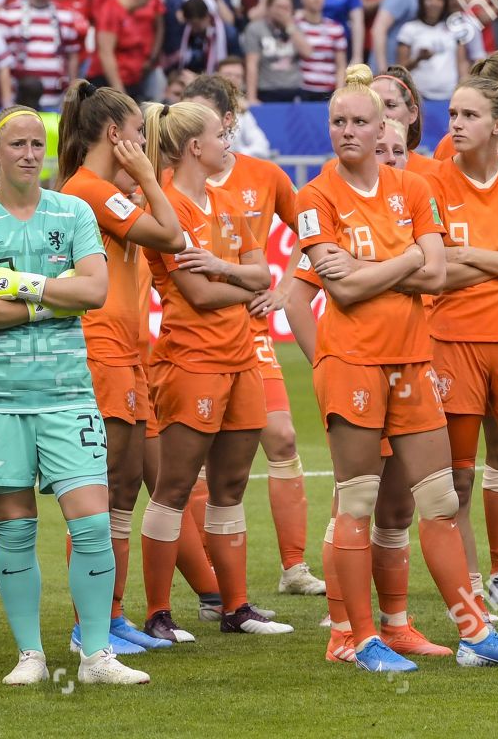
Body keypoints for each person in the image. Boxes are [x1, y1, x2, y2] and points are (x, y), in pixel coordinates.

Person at [295, 64, 498, 674]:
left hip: (413, 359)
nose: (347, 131)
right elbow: (339, 293)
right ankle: (358, 637)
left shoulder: (414, 190)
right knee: (359, 498)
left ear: (383, 129)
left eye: (359, 122)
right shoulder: (314, 196)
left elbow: (439, 273)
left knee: (440, 498)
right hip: (351, 362)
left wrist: (376, 270)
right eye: (337, 121)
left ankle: (474, 631)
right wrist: (405, 263)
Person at [0, 105, 148, 686]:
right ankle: (30, 653)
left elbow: (95, 290)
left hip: (67, 395)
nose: (30, 154)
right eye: (18, 145)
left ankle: (96, 656)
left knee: (90, 523)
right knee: (14, 529)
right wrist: (51, 299)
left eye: (38, 144)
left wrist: (19, 287)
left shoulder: (75, 211)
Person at [137, 99, 293, 642]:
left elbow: (263, 272)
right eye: (219, 135)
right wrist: (244, 281)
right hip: (192, 361)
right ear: (192, 148)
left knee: (230, 485)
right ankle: (158, 613)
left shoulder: (226, 200)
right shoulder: (168, 208)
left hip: (241, 358)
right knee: (174, 488)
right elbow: (199, 295)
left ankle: (236, 607)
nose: (229, 141)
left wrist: (232, 270)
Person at [183, 75, 324, 597]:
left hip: (250, 329)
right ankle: (213, 582)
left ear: (226, 122)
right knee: (195, 458)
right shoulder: (168, 179)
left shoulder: (265, 176)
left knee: (282, 436)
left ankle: (293, 569)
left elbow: (313, 231)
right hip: (194, 332)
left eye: (203, 119)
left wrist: (287, 288)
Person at [57, 80, 186, 652]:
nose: (142, 143)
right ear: (114, 134)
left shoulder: (107, 193)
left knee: (122, 490)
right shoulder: (90, 190)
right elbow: (172, 234)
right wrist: (153, 181)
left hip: (127, 354)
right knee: (103, 490)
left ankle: (110, 616)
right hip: (101, 352)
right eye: (137, 132)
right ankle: (92, 622)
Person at [428, 74, 498, 607]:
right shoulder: (432, 181)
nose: (456, 124)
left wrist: (469, 257)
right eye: (452, 114)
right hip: (452, 340)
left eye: (468, 116)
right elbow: (434, 271)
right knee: (457, 476)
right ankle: (468, 591)